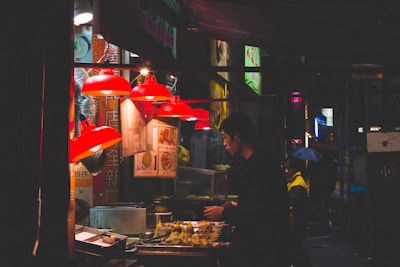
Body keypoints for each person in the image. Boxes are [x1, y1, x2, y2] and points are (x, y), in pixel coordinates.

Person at [203, 112, 291, 267]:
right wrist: (237, 206)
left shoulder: (257, 168)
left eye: (225, 137)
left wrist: (223, 212)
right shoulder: (262, 161)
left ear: (237, 137)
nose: (224, 143)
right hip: (270, 247)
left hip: (263, 251)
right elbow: (261, 204)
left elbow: (255, 215)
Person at [283, 157, 312, 267]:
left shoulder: (297, 183)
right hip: (296, 220)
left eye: (289, 168)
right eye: (285, 168)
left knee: (296, 250)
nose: (286, 171)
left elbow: (296, 202)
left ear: (294, 169)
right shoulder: (293, 181)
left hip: (297, 221)